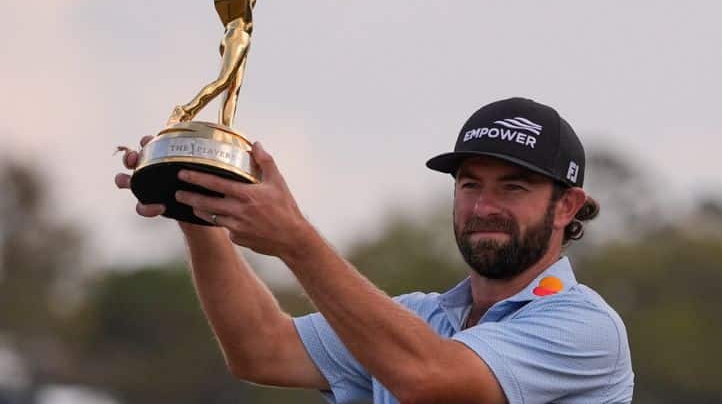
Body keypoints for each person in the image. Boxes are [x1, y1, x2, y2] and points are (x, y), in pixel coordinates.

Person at [115, 97, 634, 403]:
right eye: (470, 185)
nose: (483, 207)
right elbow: (261, 348)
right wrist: (200, 213)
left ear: (567, 206)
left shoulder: (585, 328)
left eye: (513, 188)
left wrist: (296, 239)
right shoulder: (414, 320)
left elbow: (429, 379)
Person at [167, 0, 265, 128]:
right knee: (224, 80)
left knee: (233, 88)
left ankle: (225, 127)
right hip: (235, 37)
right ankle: (185, 110)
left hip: (242, 37)